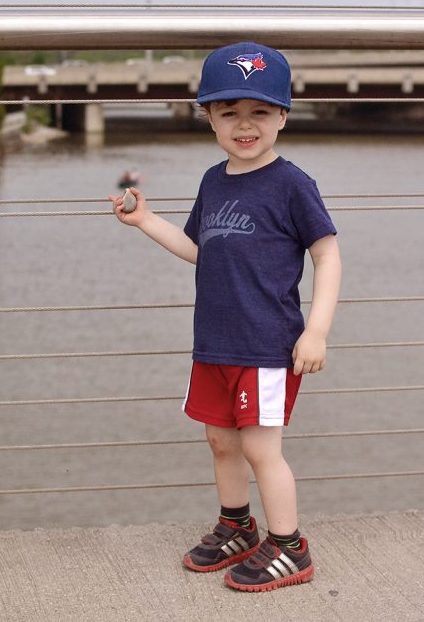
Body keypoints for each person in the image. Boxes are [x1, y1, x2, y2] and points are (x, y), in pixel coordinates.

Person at [109, 41, 341, 592]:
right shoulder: (214, 180)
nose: (245, 124)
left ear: (282, 116)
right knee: (220, 442)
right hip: (213, 342)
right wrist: (145, 221)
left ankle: (290, 547)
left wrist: (317, 330)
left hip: (266, 346)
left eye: (259, 111)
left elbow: (328, 254)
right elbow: (199, 249)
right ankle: (238, 524)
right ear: (208, 117)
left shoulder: (292, 184)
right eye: (229, 111)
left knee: (262, 448)